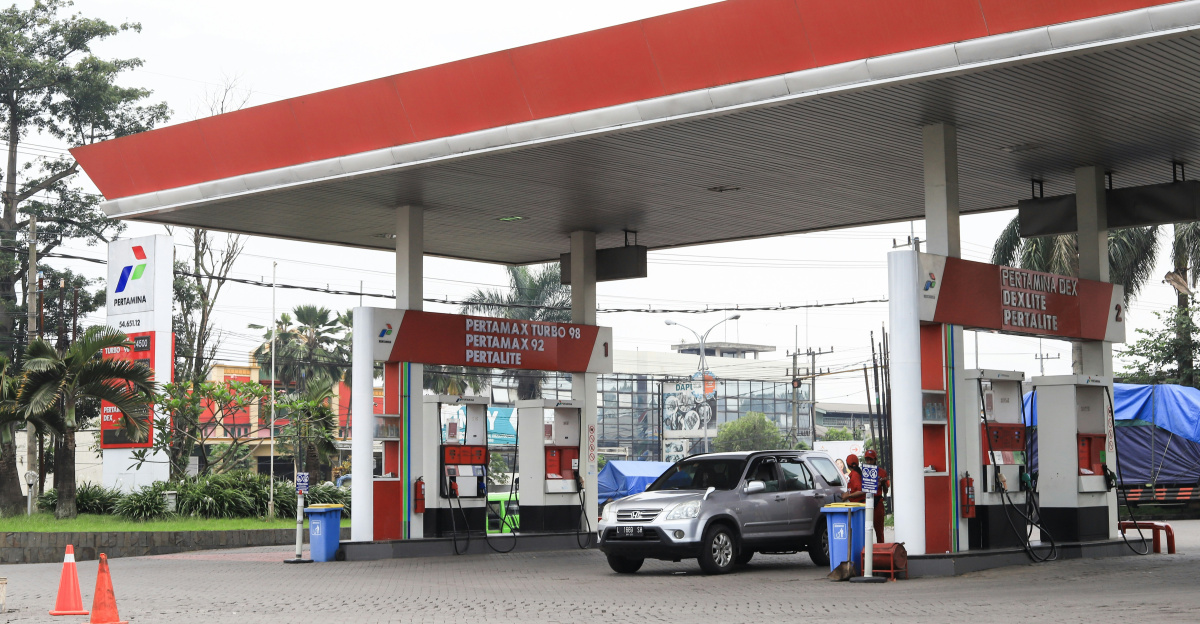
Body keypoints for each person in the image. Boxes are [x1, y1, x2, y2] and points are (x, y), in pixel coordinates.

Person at [862, 449, 889, 544]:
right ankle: (866, 552)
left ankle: (881, 550)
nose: (869, 462)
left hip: (878, 501)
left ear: (875, 460)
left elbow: (886, 491)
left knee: (879, 530)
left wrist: (883, 483)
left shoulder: (882, 472)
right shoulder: (863, 472)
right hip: (866, 501)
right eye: (867, 459)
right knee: (865, 530)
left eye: (871, 459)